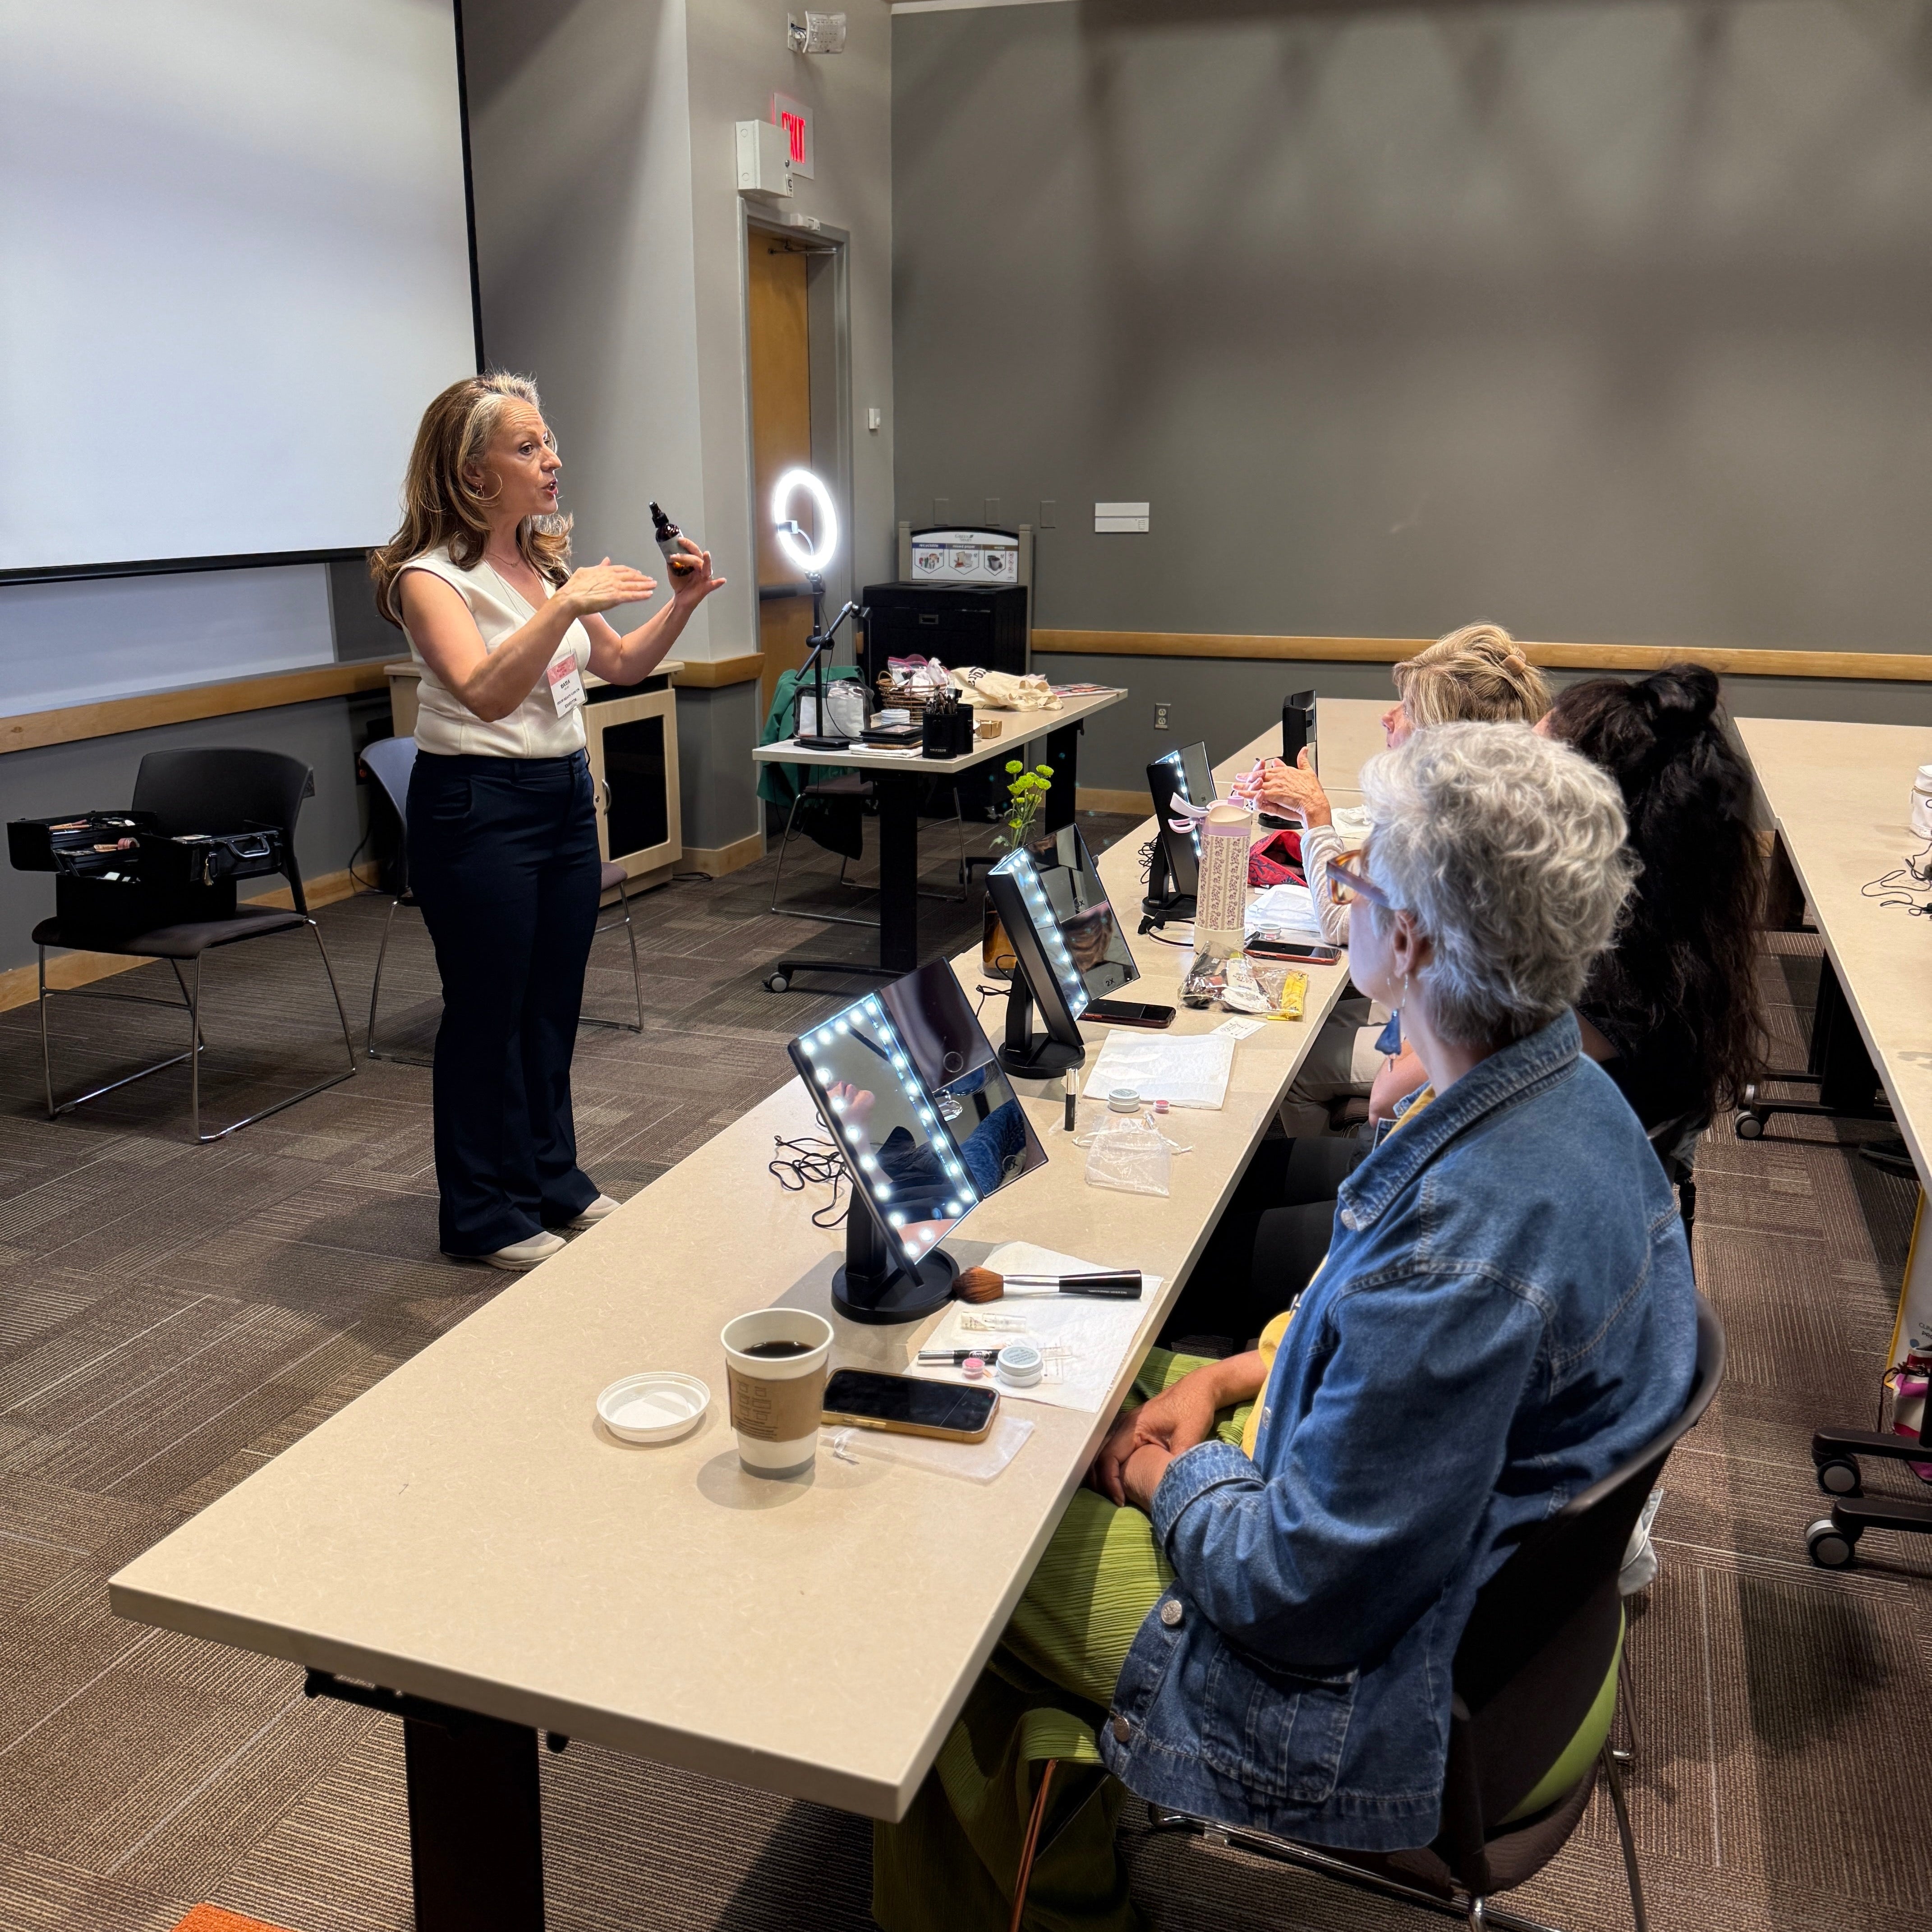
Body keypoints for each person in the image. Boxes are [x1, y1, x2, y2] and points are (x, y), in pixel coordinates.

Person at [874, 724, 1699, 1932]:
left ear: (1409, 938)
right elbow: (1377, 1369)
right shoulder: (1568, 1096)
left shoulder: (1460, 1245)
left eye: (1355, 883)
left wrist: (1169, 1474)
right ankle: (1049, 1860)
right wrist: (1221, 1386)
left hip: (1373, 1681)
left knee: (954, 1544)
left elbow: (1292, 1589)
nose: (1339, 894)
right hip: (1484, 1615)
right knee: (1050, 1394)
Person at [369, 373, 724, 1269]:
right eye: (527, 447)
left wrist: (680, 605)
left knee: (549, 1010)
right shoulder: (430, 580)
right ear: (472, 470)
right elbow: (486, 693)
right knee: (487, 1013)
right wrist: (565, 604)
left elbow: (622, 668)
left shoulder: (545, 565)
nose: (551, 459)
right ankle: (483, 1214)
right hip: (478, 806)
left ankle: (551, 1181)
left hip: (564, 796)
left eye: (549, 441)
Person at [1234, 624, 1552, 1109]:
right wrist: (1308, 822)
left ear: (1439, 739)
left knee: (1289, 1063)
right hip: (1456, 1030)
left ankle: (1338, 1168)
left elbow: (1342, 922)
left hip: (1445, 1047)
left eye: (1406, 707)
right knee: (1313, 1022)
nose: (1388, 717)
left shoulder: (1442, 835)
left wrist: (1318, 821)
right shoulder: (1491, 815)